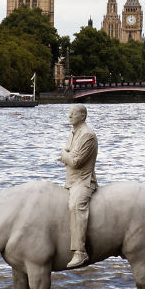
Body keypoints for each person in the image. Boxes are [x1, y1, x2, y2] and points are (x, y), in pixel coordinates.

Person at [57, 104, 98, 268]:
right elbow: (69, 154)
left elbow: (75, 161)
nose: (69, 116)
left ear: (83, 116)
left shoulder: (87, 135)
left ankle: (80, 252)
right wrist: (66, 154)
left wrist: (63, 154)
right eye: (69, 113)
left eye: (73, 113)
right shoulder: (74, 133)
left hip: (83, 181)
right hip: (71, 181)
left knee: (76, 206)